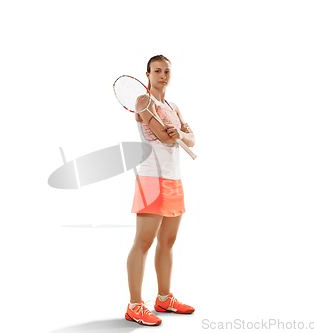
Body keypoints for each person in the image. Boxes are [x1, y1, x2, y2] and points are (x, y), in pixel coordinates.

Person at [125, 55, 196, 326]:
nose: (162, 75)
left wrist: (180, 132)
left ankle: (164, 298)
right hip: (151, 180)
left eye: (166, 71)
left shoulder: (173, 106)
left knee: (168, 241)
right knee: (143, 243)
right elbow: (167, 136)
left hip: (173, 179)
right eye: (157, 71)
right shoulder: (144, 102)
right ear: (148, 74)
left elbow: (190, 137)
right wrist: (178, 132)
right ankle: (134, 305)